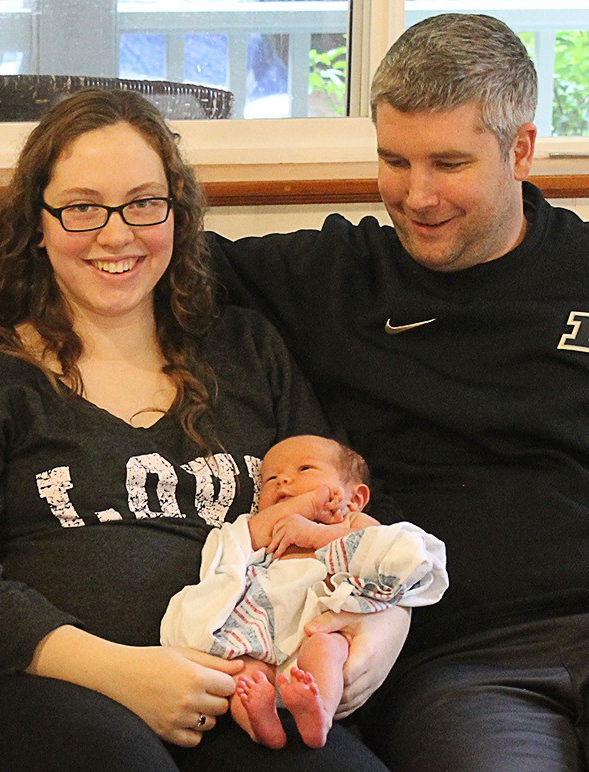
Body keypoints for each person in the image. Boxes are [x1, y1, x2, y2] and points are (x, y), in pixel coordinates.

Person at [207, 12, 589, 772]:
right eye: (394, 161)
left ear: (520, 150)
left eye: (448, 163)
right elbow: (143, 256)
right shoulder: (334, 276)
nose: (416, 197)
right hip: (465, 668)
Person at [0, 88, 397, 771]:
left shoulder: (246, 349)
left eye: (144, 203)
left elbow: (341, 504)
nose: (116, 234)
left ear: (177, 215)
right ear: (38, 222)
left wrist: (383, 623)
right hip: (52, 686)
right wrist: (122, 673)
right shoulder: (2, 372)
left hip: (249, 688)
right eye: (83, 207)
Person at [161, 434, 447, 750]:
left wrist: (315, 534)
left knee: (326, 649)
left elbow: (379, 554)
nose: (283, 479)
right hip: (262, 624)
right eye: (270, 478)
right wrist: (307, 502)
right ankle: (260, 723)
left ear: (352, 498)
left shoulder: (355, 521)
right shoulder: (266, 524)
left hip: (318, 621)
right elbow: (248, 535)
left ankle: (319, 711)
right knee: (244, 677)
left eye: (304, 469)